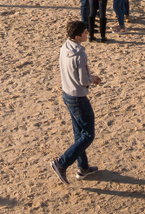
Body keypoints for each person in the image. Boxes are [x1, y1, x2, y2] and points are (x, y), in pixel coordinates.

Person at [50, 20, 102, 184]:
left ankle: (83, 168)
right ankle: (62, 163)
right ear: (78, 36)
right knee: (88, 135)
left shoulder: (65, 46)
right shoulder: (80, 54)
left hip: (67, 93)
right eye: (85, 32)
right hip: (78, 97)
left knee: (78, 133)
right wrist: (93, 79)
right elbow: (83, 79)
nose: (88, 34)